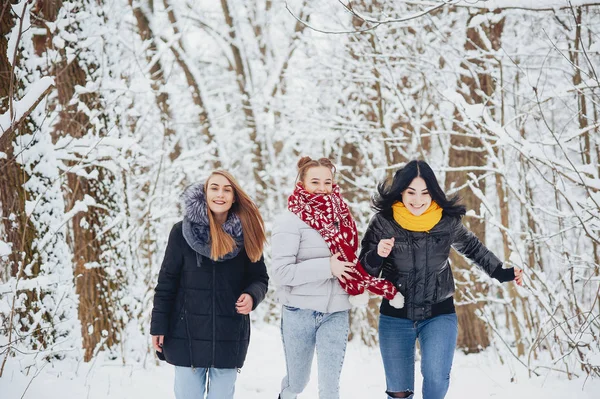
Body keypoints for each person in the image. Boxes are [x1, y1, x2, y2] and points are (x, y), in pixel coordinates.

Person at [359, 160, 523, 399]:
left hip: (438, 313)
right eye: (411, 192)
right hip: (396, 316)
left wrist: (502, 272)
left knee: (436, 379)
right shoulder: (384, 222)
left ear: (433, 193)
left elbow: (473, 249)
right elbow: (364, 271)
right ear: (401, 192)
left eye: (425, 193)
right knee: (398, 393)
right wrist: (377, 255)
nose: (418, 200)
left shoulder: (445, 221)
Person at [150, 170, 268, 399]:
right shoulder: (181, 232)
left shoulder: (248, 234)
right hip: (185, 335)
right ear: (205, 193)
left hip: (229, 334)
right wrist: (158, 326)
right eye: (214, 188)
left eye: (227, 189)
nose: (220, 194)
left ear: (234, 197)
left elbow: (259, 278)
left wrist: (252, 296)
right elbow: (166, 283)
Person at [272, 156, 376, 399]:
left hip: (337, 311)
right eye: (315, 181)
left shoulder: (344, 219)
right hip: (299, 312)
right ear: (302, 183)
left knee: (330, 388)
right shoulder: (289, 221)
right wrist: (328, 267)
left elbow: (351, 260)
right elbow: (281, 273)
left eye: (327, 182)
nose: (322, 188)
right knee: (297, 383)